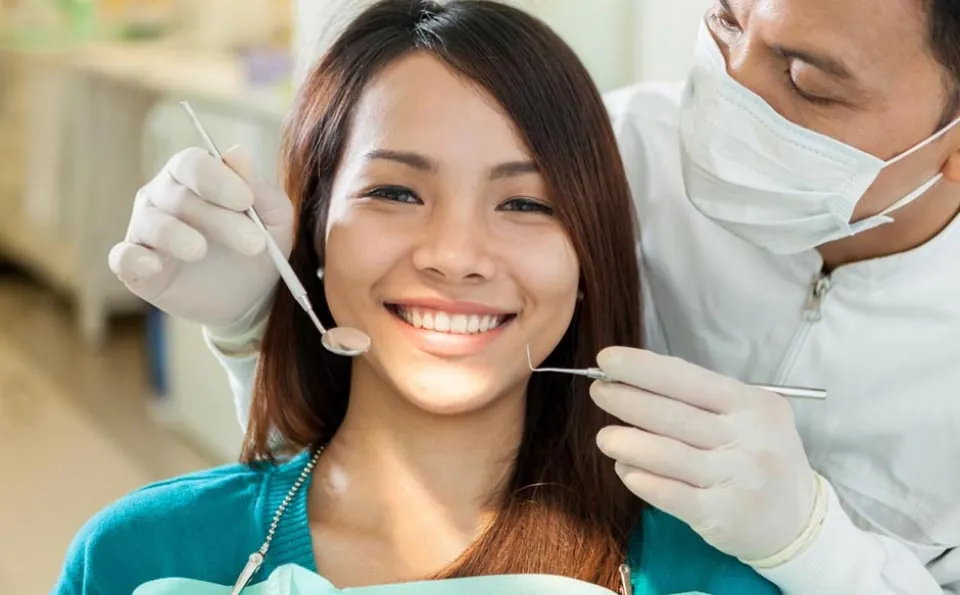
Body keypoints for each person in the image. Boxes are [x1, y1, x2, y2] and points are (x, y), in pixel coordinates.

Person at [108, 0, 960, 593]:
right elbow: (368, 416)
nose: (733, 90)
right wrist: (257, 324)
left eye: (807, 80)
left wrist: (814, 547)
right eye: (727, 21)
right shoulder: (619, 150)